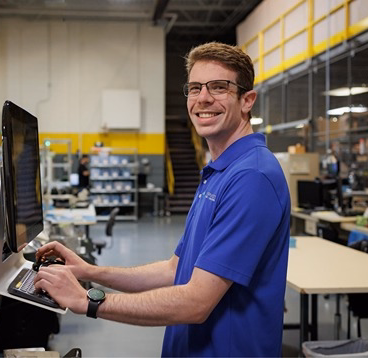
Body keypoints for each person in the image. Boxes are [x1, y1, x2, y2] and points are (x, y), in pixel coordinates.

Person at [34, 42, 291, 357]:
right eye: (195, 88)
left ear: (247, 100)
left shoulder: (252, 177)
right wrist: (88, 271)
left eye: (219, 87)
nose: (204, 98)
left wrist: (87, 301)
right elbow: (174, 269)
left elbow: (196, 302)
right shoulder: (220, 171)